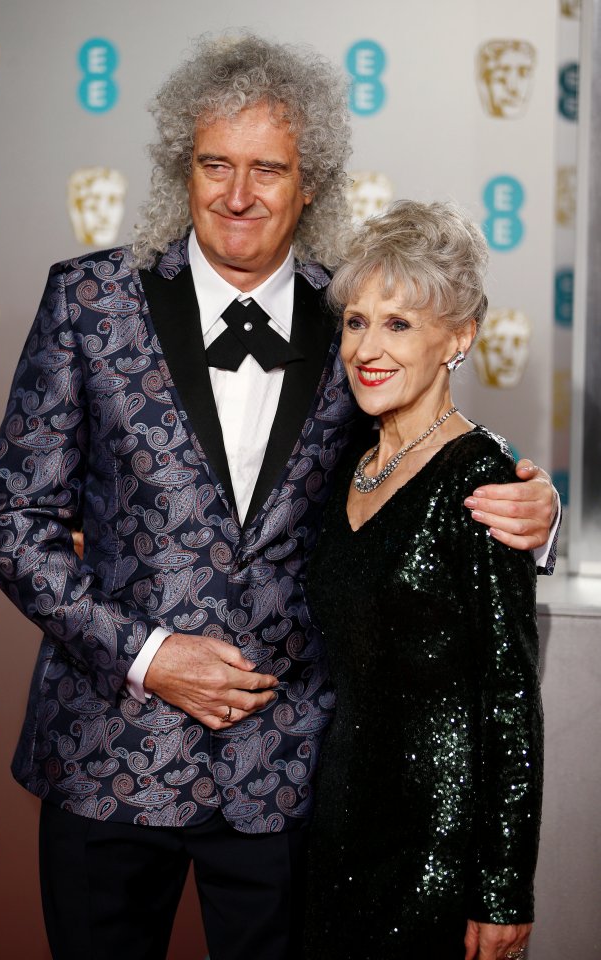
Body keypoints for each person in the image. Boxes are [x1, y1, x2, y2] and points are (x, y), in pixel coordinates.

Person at [0, 35, 555, 960]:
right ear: (185, 168)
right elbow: (15, 522)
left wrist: (538, 507)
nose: (237, 194)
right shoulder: (90, 300)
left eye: (267, 169)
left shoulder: (352, 312)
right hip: (107, 757)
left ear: (309, 183)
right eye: (215, 164)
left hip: (289, 776)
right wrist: (149, 655)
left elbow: (421, 456)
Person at [304, 201, 543, 960]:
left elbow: (509, 696)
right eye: (356, 322)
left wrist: (502, 885)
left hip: (434, 856)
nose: (367, 348)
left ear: (459, 338)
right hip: (332, 832)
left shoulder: (483, 479)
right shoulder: (349, 463)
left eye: (399, 324)